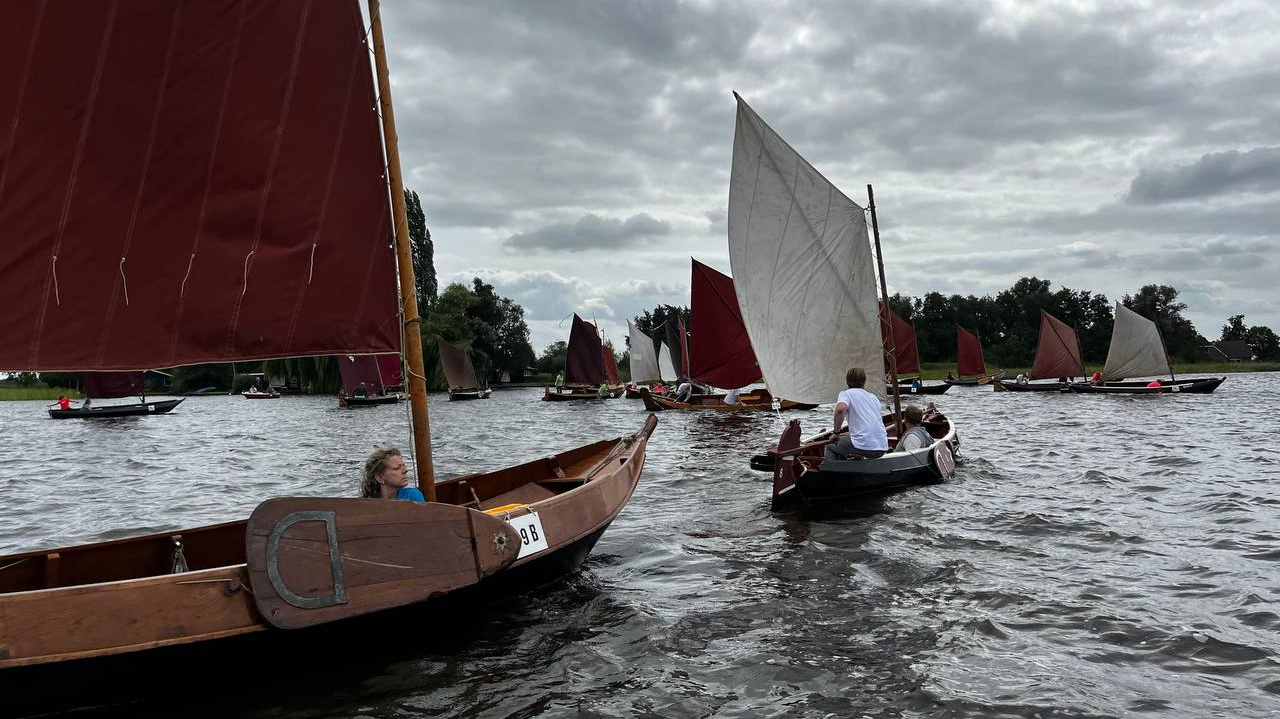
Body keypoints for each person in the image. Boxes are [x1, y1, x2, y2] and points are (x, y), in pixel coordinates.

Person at [825, 367, 888, 461]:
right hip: (882, 447)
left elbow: (840, 409)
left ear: (847, 381)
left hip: (865, 446)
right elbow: (869, 424)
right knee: (846, 441)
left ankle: (833, 473)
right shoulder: (873, 398)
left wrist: (836, 433)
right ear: (864, 381)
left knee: (830, 446)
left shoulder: (846, 394)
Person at [360, 447, 425, 503]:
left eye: (404, 466)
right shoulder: (365, 503)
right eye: (397, 468)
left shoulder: (412, 496)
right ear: (379, 477)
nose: (405, 470)